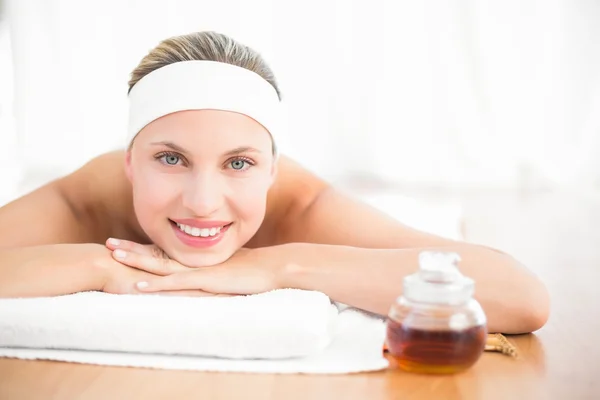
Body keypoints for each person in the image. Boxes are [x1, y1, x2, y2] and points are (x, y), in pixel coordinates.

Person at [0, 31, 549, 334]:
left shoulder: (305, 206)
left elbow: (520, 297)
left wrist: (275, 265)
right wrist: (103, 266)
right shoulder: (87, 198)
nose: (202, 202)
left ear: (271, 168)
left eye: (238, 163)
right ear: (128, 163)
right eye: (170, 159)